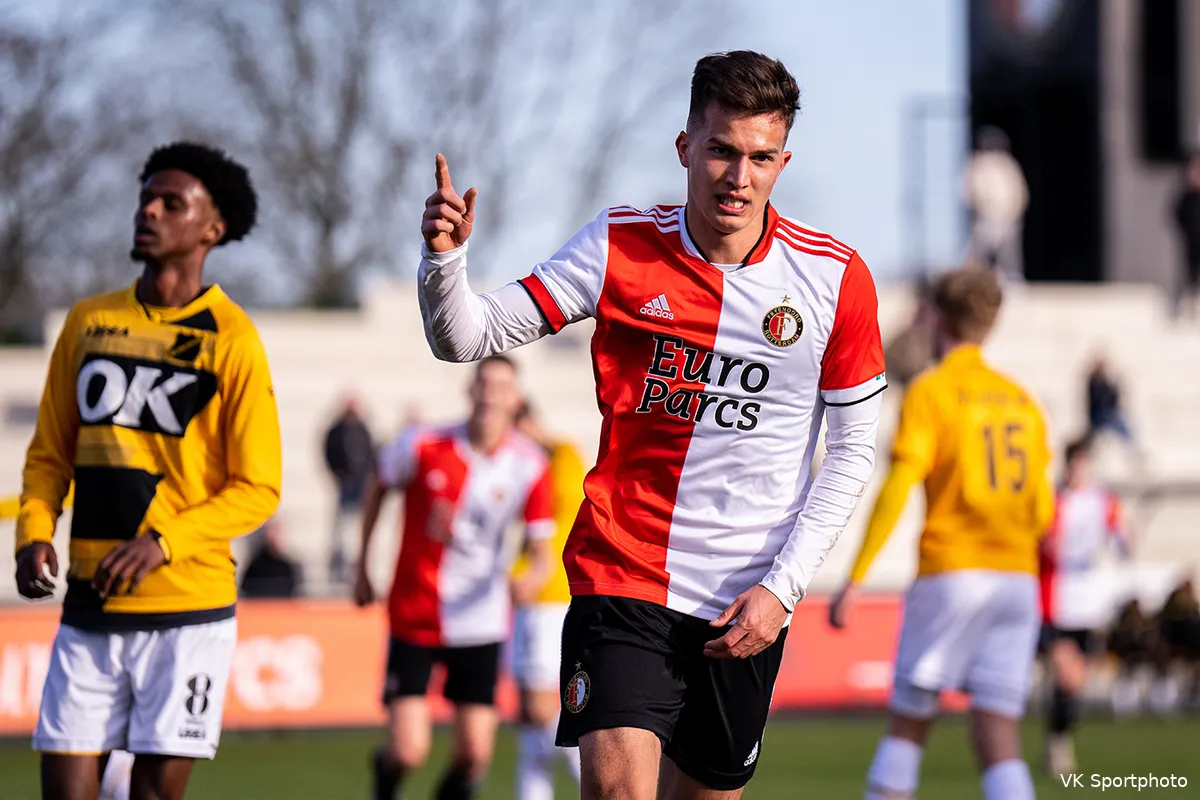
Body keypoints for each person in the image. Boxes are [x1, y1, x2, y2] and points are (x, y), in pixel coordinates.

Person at [417, 50, 886, 799]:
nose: (739, 177)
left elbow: (855, 450)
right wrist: (445, 262)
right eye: (722, 152)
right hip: (626, 572)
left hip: (747, 599)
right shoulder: (620, 245)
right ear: (685, 148)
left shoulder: (834, 279)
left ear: (783, 160)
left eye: (761, 158)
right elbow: (466, 337)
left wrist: (784, 590)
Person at [12, 142, 281, 800]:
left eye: (171, 203)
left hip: (187, 614)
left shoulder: (234, 339)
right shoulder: (89, 321)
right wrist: (32, 532)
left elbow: (259, 488)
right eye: (145, 199)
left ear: (212, 229)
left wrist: (164, 543)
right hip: (90, 604)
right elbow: (49, 454)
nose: (149, 211)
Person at [828, 266, 1054, 800]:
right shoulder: (1023, 401)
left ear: (936, 318)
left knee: (909, 727)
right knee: (999, 735)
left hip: (952, 573)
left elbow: (898, 487)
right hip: (1016, 581)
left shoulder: (931, 392)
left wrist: (855, 577)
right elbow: (1043, 511)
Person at [354, 355, 556, 800]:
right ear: (470, 389)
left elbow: (542, 548)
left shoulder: (530, 465)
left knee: (473, 757)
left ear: (515, 400)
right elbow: (377, 489)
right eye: (483, 382)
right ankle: (383, 782)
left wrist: (531, 579)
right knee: (408, 751)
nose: (490, 393)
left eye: (501, 386)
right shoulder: (422, 443)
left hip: (481, 621)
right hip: (415, 611)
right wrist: (363, 565)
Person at [1038, 436, 1133, 774]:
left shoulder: (1102, 501)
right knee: (1067, 674)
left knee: (1076, 683)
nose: (1079, 469)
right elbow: (1040, 542)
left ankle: (1055, 737)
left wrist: (1125, 535)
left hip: (1087, 606)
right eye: (1074, 462)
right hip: (1054, 602)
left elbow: (1123, 539)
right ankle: (1058, 747)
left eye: (1083, 462)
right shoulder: (1051, 499)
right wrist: (1047, 543)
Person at [510, 401, 586, 799]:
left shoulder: (560, 456)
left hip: (552, 597)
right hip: (527, 601)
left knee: (544, 711)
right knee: (529, 719)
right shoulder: (512, 465)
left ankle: (595, 782)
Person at [962, 126, 1028, 283]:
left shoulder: (1007, 165)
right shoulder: (977, 165)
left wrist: (1013, 212)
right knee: (978, 252)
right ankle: (970, 280)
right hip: (985, 218)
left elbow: (1019, 191)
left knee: (1009, 254)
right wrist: (982, 210)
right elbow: (969, 191)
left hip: (1007, 218)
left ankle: (1012, 281)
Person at [323, 397, 375, 583]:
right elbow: (328, 453)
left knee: (358, 526)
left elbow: (370, 453)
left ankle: (357, 563)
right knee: (343, 528)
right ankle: (340, 565)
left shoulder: (363, 430)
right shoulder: (336, 431)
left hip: (360, 485)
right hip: (345, 484)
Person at [239, 519, 302, 599]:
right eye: (271, 532)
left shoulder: (286, 565)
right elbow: (247, 587)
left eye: (276, 533)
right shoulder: (257, 564)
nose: (274, 536)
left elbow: (293, 589)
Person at [1172, 155, 1200, 320]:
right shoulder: (1186, 197)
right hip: (1190, 242)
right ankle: (1184, 308)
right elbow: (1177, 215)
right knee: (1188, 274)